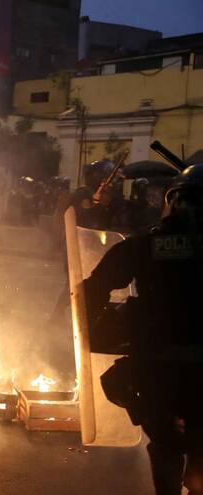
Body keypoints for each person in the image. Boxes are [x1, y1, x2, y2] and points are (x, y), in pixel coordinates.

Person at [82, 164, 203, 495]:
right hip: (173, 371)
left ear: (172, 201)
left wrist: (104, 326)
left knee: (164, 443)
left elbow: (91, 291)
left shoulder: (143, 246)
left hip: (157, 370)